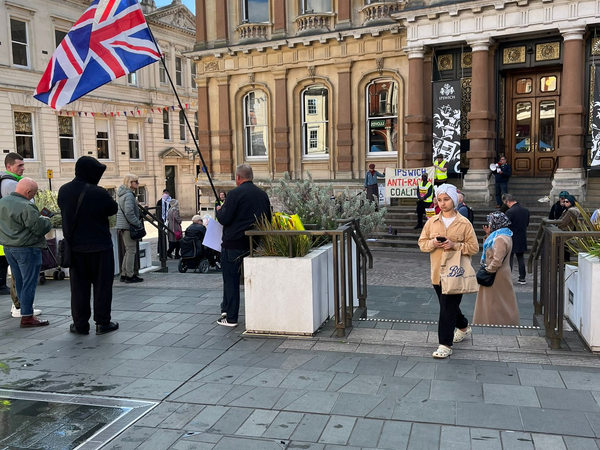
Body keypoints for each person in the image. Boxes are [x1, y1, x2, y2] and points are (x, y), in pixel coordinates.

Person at [58, 156, 119, 335]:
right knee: (102, 287)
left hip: (76, 249)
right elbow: (112, 209)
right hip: (100, 247)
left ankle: (80, 324)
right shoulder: (98, 193)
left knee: (78, 288)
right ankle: (102, 322)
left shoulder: (64, 190)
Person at [418, 183, 479, 359]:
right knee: (448, 307)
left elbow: (473, 248)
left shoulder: (464, 223)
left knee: (446, 310)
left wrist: (455, 245)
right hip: (437, 273)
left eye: (446, 199)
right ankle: (464, 326)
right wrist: (433, 243)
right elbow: (422, 243)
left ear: (453, 200)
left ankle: (445, 344)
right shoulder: (431, 223)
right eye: (440, 199)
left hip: (455, 273)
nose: (443, 203)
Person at [216, 164, 271, 327]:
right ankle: (225, 308)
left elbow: (224, 218)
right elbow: (267, 218)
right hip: (254, 242)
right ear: (251, 176)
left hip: (233, 243)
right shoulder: (262, 194)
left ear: (238, 177)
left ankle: (230, 316)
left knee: (231, 278)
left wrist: (219, 210)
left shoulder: (234, 194)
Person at [0, 178, 52, 328]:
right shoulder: (26, 206)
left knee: (19, 281)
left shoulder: (2, 202)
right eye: (33, 194)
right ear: (28, 192)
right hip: (27, 248)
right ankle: (27, 316)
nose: (32, 197)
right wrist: (46, 220)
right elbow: (39, 228)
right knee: (29, 282)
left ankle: (23, 310)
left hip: (8, 248)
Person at [0, 153, 41, 317]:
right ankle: (21, 308)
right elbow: (24, 211)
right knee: (23, 278)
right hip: (20, 240)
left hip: (9, 238)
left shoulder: (7, 182)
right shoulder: (10, 184)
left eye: (23, 165)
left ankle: (20, 307)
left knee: (17, 274)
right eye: (19, 166)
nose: (23, 168)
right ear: (9, 167)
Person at [473, 212, 520, 326]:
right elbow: (490, 249)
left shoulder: (500, 239)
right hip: (500, 273)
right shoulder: (502, 235)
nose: (489, 225)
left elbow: (497, 259)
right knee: (499, 300)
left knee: (494, 301)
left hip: (496, 275)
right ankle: (495, 320)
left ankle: (493, 321)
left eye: (490, 222)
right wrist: (488, 234)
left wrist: (488, 270)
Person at [117, 174, 144, 283]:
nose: (137, 183)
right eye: (136, 182)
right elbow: (129, 212)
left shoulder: (123, 194)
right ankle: (129, 275)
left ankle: (124, 273)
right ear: (130, 183)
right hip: (128, 226)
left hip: (123, 225)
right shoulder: (128, 195)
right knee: (131, 250)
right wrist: (138, 223)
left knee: (128, 250)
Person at [503, 194, 530, 285]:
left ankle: (508, 277)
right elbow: (527, 224)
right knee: (520, 258)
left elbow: (506, 225)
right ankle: (522, 277)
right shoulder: (525, 211)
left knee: (509, 259)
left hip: (511, 237)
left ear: (508, 201)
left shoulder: (510, 212)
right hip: (522, 236)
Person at [156, 189, 171, 257]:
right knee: (161, 235)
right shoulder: (159, 202)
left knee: (170, 236)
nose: (165, 194)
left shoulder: (171, 201)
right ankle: (160, 251)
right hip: (161, 220)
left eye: (167, 193)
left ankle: (170, 251)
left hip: (169, 220)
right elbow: (157, 211)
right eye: (164, 193)